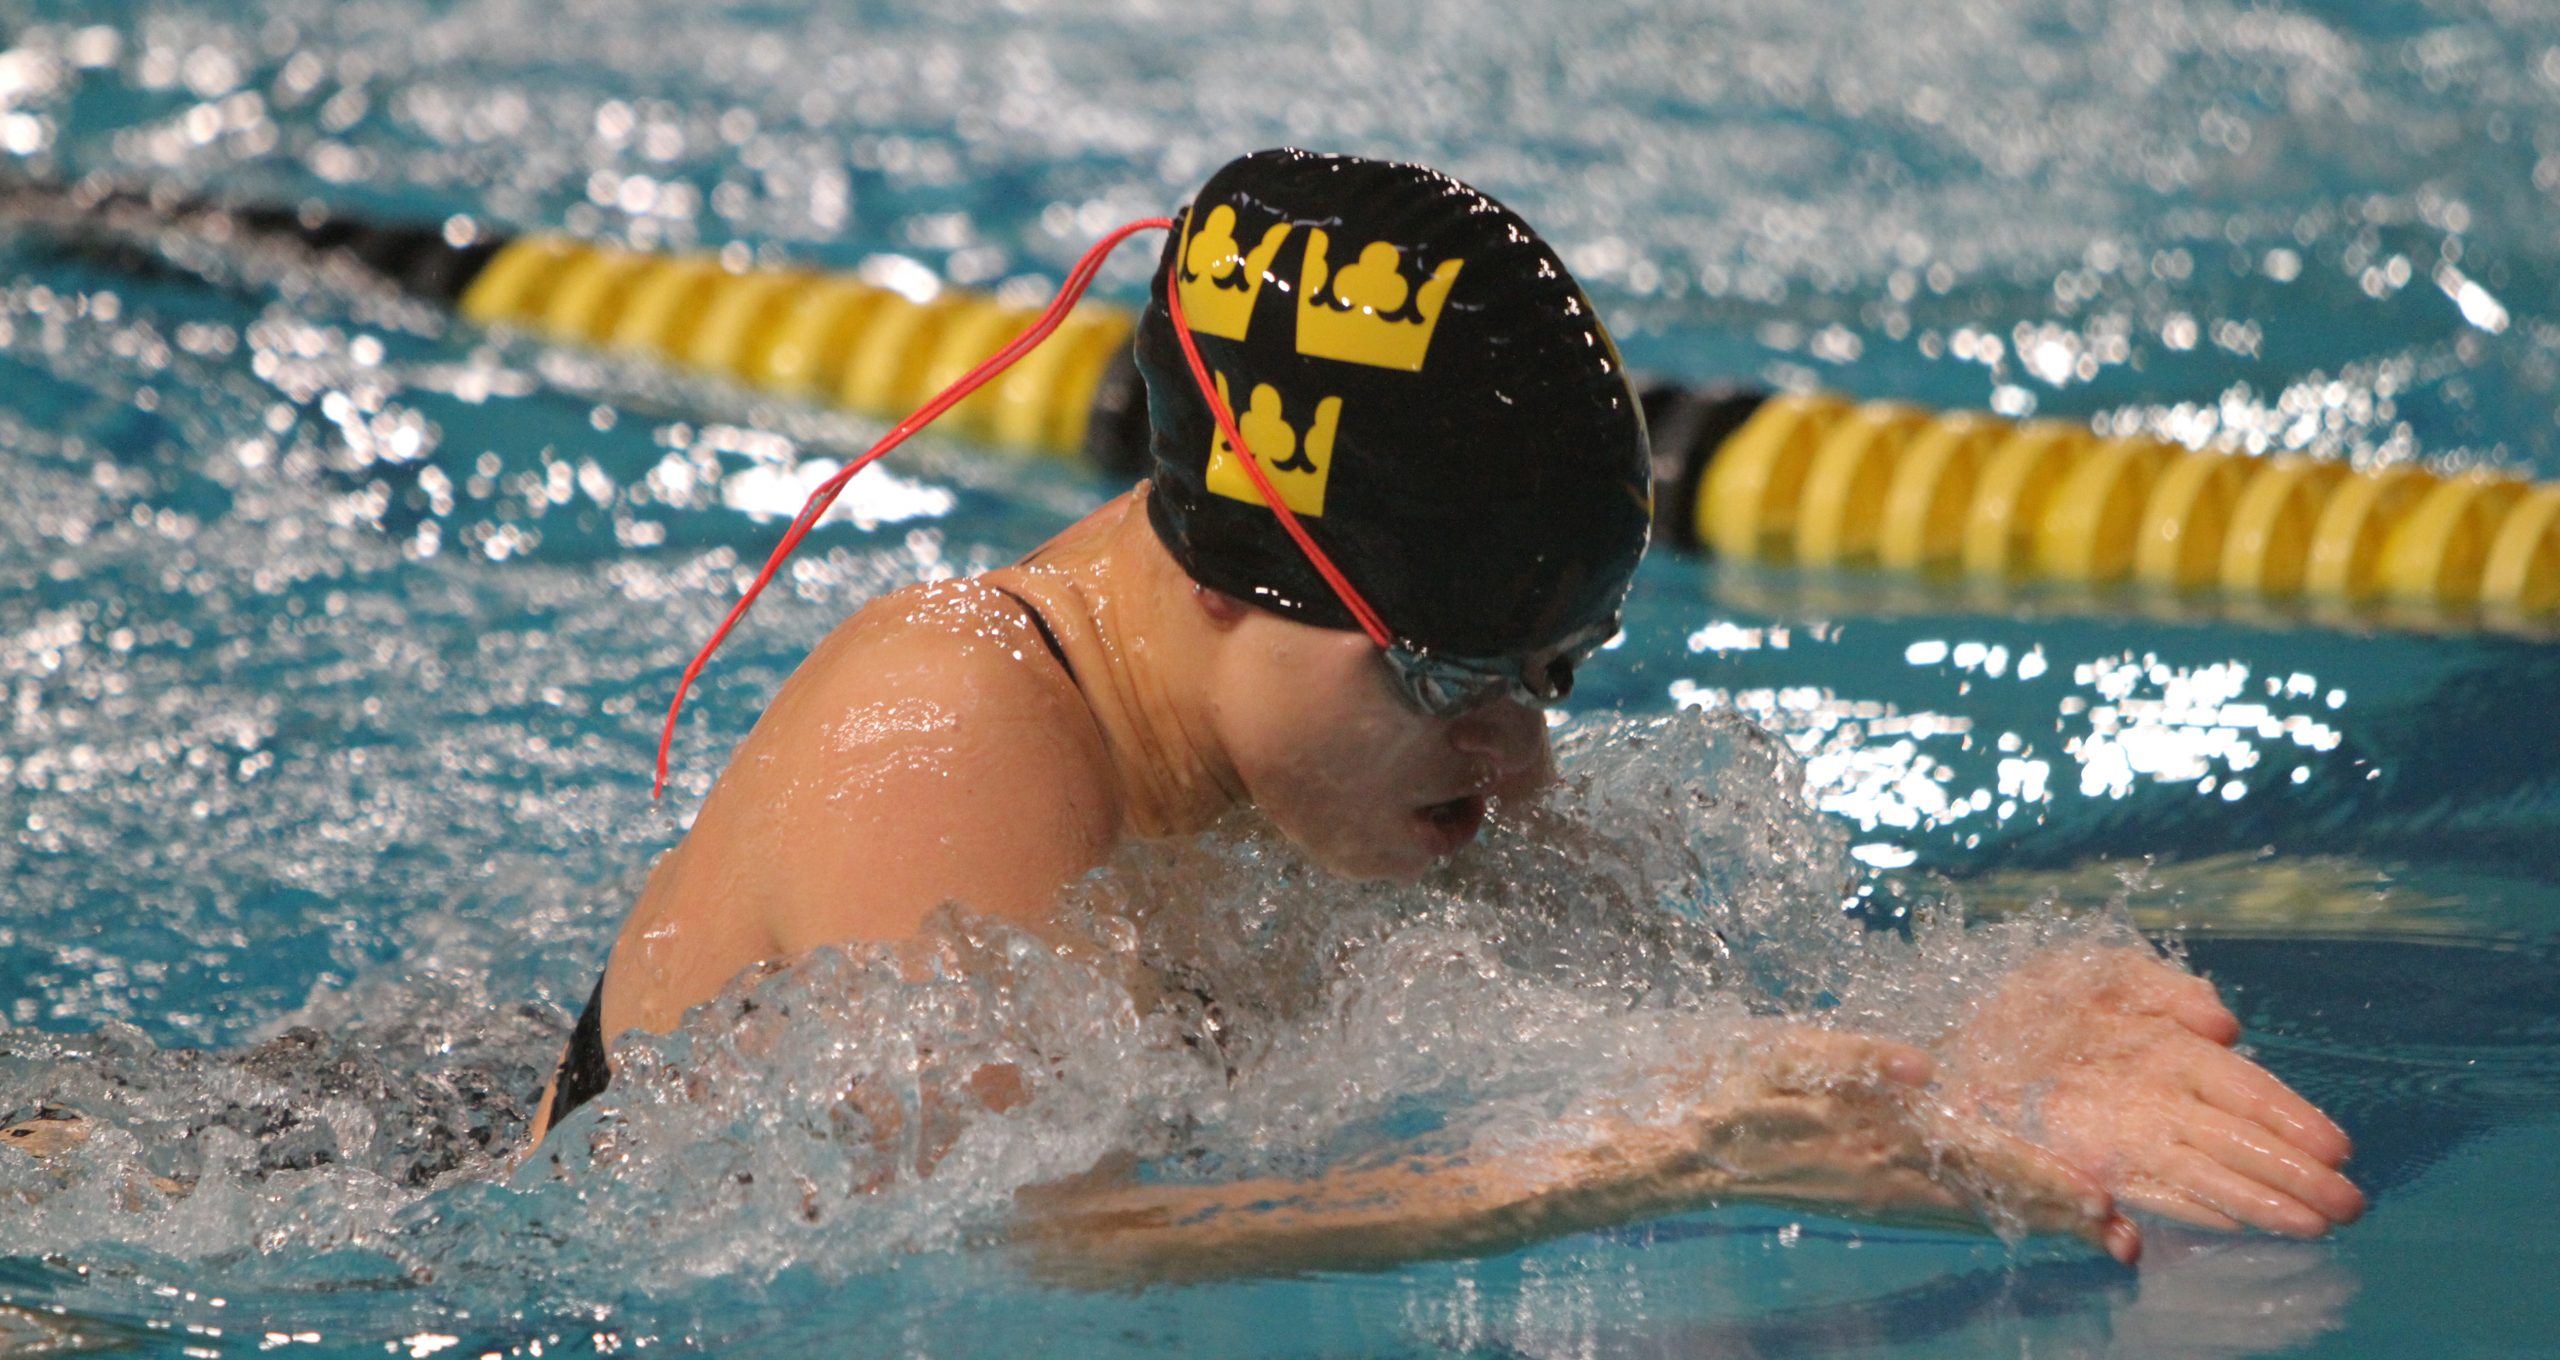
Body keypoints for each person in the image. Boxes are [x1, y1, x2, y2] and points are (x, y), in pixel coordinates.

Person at [523, 149, 2363, 1275]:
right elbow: (1028, 1251)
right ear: (1235, 582)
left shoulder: (1340, 728)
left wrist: (1989, 1046)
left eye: (1550, 679)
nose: (1522, 759)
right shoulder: (944, 738)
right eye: (1455, 680)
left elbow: (1688, 1035)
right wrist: (1610, 1179)